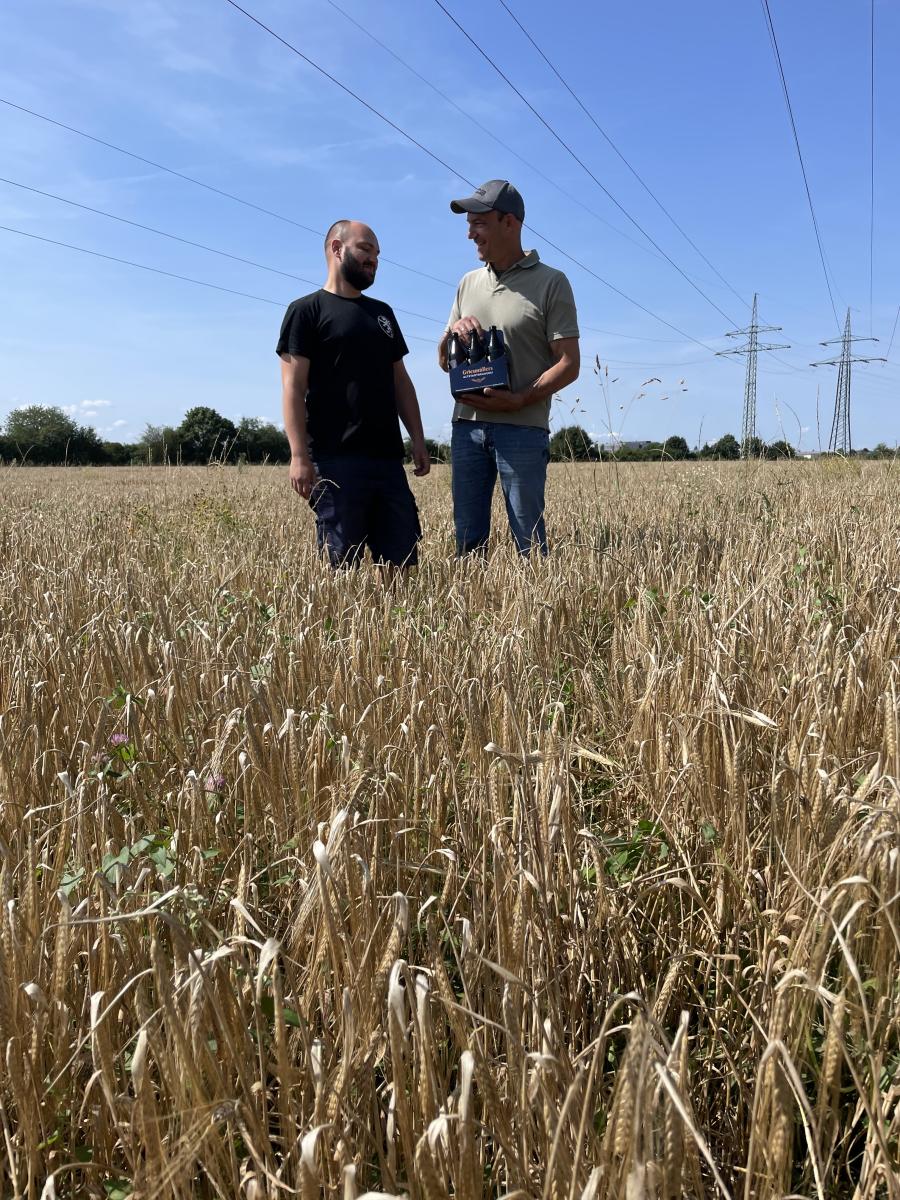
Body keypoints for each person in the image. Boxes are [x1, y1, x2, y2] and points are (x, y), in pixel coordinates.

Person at [439, 180, 580, 556]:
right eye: (469, 225)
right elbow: (443, 359)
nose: (470, 234)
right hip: (466, 427)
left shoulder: (552, 282)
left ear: (510, 223)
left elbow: (569, 363)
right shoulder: (467, 283)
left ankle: (538, 612)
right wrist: (452, 333)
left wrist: (519, 400)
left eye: (478, 224)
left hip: (523, 429)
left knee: (529, 542)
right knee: (467, 543)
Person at [278, 219, 430, 568]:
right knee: (340, 569)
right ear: (336, 248)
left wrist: (418, 438)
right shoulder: (306, 311)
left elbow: (401, 382)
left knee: (403, 564)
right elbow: (293, 387)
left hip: (388, 462)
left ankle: (398, 624)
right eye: (365, 249)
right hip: (335, 462)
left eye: (376, 254)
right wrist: (299, 455)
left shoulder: (383, 314)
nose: (373, 259)